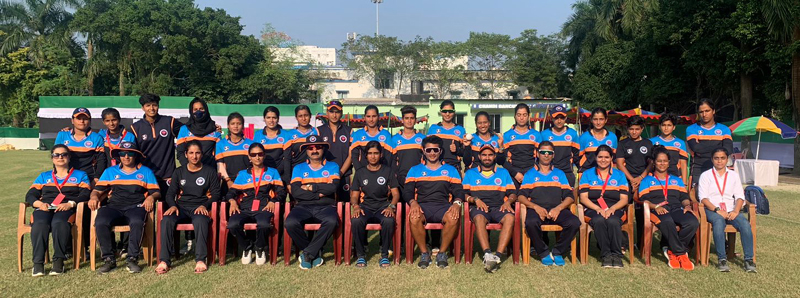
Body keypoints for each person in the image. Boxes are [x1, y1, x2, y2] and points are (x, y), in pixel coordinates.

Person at [89, 141, 160, 274]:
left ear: (136, 155)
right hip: (114, 206)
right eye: (122, 153)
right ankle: (109, 259)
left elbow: (156, 191)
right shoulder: (110, 171)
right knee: (100, 221)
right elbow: (97, 190)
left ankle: (132, 258)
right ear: (118, 156)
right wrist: (93, 197)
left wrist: (151, 197)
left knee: (137, 222)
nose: (126, 157)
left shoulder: (145, 171)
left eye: (130, 153)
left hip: (136, 206)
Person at [25, 145, 91, 276]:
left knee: (59, 223)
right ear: (52, 158)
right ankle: (38, 264)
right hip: (45, 207)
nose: (60, 157)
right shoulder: (44, 176)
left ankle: (58, 261)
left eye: (64, 154)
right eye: (56, 155)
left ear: (69, 157)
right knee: (40, 224)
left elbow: (85, 194)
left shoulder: (80, 175)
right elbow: (30, 195)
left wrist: (70, 204)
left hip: (66, 208)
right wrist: (39, 203)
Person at [156, 140, 221, 274]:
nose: (194, 156)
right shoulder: (179, 172)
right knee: (167, 220)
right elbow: (170, 194)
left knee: (200, 220)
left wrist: (205, 205)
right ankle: (164, 261)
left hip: (200, 207)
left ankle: (200, 260)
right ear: (185, 154)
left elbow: (216, 194)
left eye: (197, 153)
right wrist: (173, 205)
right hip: (181, 207)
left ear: (202, 154)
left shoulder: (209, 171)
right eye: (191, 153)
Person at [404, 135, 465, 269]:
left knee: (453, 217)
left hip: (443, 206)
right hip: (422, 206)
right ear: (423, 151)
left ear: (440, 151)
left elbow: (458, 191)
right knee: (414, 217)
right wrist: (413, 203)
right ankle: (424, 253)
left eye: (435, 150)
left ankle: (441, 253)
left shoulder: (451, 170)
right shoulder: (415, 170)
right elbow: (407, 191)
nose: (432, 153)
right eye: (429, 150)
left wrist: (457, 203)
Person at [518, 141, 580, 267]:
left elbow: (569, 196)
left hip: (557, 209)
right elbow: (521, 196)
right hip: (537, 210)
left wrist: (559, 208)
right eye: (543, 152)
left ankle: (558, 251)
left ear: (553, 155)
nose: (546, 155)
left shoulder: (560, 174)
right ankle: (543, 252)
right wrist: (535, 207)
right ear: (537, 154)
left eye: (549, 153)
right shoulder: (530, 174)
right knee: (530, 223)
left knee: (574, 222)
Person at [637, 146, 698, 271]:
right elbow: (644, 199)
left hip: (676, 208)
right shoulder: (647, 180)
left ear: (669, 162)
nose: (662, 163)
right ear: (654, 162)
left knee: (692, 221)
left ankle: (672, 250)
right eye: (659, 161)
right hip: (657, 209)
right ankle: (681, 253)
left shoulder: (677, 180)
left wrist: (687, 205)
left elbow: (684, 196)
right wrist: (656, 206)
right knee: (667, 221)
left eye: (665, 161)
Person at [285, 135, 341, 269]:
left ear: (323, 149)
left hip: (326, 206)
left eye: (318, 147)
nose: (314, 150)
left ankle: (308, 253)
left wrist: (311, 187)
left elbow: (333, 187)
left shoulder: (333, 166)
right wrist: (320, 194)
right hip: (303, 206)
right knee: (290, 222)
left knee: (332, 221)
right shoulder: (299, 168)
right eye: (310, 148)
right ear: (306, 150)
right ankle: (313, 252)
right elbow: (296, 191)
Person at [224, 143, 285, 266]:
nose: (257, 157)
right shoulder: (242, 174)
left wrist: (273, 202)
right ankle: (247, 248)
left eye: (260, 154)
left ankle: (260, 248)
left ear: (264, 155)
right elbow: (230, 193)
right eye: (253, 154)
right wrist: (232, 201)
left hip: (264, 208)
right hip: (245, 208)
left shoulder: (272, 172)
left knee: (263, 224)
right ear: (249, 157)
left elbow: (282, 193)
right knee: (233, 224)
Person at [698, 148, 756, 273]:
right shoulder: (706, 175)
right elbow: (703, 198)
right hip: (712, 210)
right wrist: (717, 210)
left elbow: (740, 196)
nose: (719, 161)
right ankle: (722, 259)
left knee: (745, 225)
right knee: (719, 223)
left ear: (727, 159)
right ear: (712, 159)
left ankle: (748, 260)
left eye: (722, 158)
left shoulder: (733, 175)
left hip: (731, 209)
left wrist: (735, 211)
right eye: (716, 158)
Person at [462, 145, 516, 273]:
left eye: (490, 155)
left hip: (498, 207)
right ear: (479, 156)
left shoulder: (503, 172)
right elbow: (463, 193)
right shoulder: (470, 173)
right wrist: (474, 199)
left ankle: (497, 256)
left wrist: (509, 201)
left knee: (510, 217)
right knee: (479, 218)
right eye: (484, 155)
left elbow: (513, 192)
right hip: (478, 208)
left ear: (495, 157)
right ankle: (487, 254)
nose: (487, 157)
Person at [350, 141, 401, 268]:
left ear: (381, 154)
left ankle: (384, 255)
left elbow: (395, 194)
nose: (373, 156)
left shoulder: (388, 171)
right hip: (365, 207)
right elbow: (354, 195)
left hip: (383, 206)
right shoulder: (360, 173)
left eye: (376, 153)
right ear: (366, 155)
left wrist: (391, 206)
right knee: (356, 221)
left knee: (389, 221)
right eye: (370, 153)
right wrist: (356, 207)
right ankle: (361, 256)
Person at [578, 145, 629, 268]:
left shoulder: (620, 175)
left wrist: (612, 209)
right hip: (593, 208)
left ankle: (616, 255)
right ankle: (606, 254)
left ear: (612, 158)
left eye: (606, 157)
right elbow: (583, 197)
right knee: (599, 220)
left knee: (613, 221)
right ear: (595, 158)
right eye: (600, 157)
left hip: (615, 207)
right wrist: (597, 209)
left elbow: (624, 199)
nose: (603, 160)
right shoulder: (587, 174)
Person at [130, 93, 183, 193]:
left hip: (167, 174)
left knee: (168, 206)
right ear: (143, 108)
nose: (152, 108)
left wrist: (212, 128)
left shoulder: (169, 122)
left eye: (154, 105)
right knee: (146, 206)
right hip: (145, 174)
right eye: (148, 105)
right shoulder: (135, 127)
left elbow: (189, 131)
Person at [616, 115, 653, 248]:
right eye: (631, 129)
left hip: (643, 181)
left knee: (642, 212)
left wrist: (640, 178)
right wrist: (632, 180)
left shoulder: (648, 144)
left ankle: (642, 243)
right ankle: (624, 243)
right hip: (626, 181)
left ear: (642, 129)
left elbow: (651, 163)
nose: (634, 132)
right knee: (624, 210)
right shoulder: (623, 143)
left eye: (637, 129)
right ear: (628, 129)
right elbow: (620, 163)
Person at [686, 99, 733, 191]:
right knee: (698, 198)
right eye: (701, 112)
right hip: (698, 168)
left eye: (707, 111)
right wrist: (719, 148)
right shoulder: (692, 129)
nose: (704, 114)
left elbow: (728, 150)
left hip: (719, 168)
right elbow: (696, 148)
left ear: (713, 111)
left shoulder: (724, 129)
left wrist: (703, 150)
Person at [55, 107, 105, 185]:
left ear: (90, 121)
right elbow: (56, 159)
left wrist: (96, 179)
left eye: (85, 119)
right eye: (78, 118)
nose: (82, 121)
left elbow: (101, 161)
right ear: (72, 120)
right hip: (66, 177)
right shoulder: (62, 135)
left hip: (90, 177)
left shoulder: (97, 138)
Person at [317, 100, 353, 202]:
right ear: (327, 113)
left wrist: (340, 173)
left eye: (337, 112)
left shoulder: (349, 131)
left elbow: (351, 155)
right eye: (331, 112)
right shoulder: (319, 131)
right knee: (326, 204)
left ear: (341, 113)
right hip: (324, 174)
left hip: (343, 174)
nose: (334, 115)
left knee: (344, 205)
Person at [391, 105, 426, 204]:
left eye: (412, 118)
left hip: (418, 179)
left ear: (415, 120)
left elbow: (426, 160)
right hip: (400, 180)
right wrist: (397, 177)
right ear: (402, 120)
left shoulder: (423, 139)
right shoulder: (394, 139)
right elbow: (392, 161)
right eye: (406, 118)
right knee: (401, 211)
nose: (409, 121)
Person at [502, 103, 541, 187]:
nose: (522, 118)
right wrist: (515, 174)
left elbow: (541, 158)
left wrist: (531, 173)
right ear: (515, 116)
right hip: (513, 174)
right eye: (519, 115)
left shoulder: (536, 135)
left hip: (531, 173)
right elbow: (502, 160)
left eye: (524, 115)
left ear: (528, 116)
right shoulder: (507, 135)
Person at [541, 105, 580, 187]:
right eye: (556, 118)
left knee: (569, 199)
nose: (559, 121)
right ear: (552, 118)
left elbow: (577, 156)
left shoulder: (572, 134)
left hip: (567, 174)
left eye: (562, 118)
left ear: (565, 118)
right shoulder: (544, 134)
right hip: (549, 173)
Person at [176, 97, 220, 168]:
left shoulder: (215, 130)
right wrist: (189, 168)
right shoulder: (184, 129)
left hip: (209, 171)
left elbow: (219, 154)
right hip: (190, 173)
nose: (198, 112)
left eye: (201, 109)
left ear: (206, 110)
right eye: (195, 109)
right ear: (191, 111)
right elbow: (180, 153)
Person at [281, 105, 319, 184]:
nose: (304, 119)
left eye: (306, 115)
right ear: (296, 118)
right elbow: (287, 159)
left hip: (315, 174)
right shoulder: (290, 134)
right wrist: (288, 181)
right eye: (300, 116)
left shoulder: (317, 132)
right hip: (297, 173)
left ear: (310, 116)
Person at [216, 112, 253, 191]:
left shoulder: (251, 144)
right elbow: (220, 165)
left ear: (243, 126)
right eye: (232, 123)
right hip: (228, 183)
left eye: (239, 123)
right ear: (228, 126)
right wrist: (228, 180)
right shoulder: (220, 144)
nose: (236, 126)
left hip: (247, 182)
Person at [350, 105, 393, 172]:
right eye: (368, 116)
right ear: (364, 117)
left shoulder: (386, 134)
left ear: (378, 117)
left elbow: (388, 157)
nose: (371, 119)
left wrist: (383, 172)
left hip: (381, 174)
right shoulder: (358, 134)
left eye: (374, 116)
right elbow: (354, 157)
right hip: (363, 174)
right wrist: (360, 172)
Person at [427, 100, 466, 173]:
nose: (447, 114)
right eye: (445, 111)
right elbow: (426, 149)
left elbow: (465, 153)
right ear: (441, 112)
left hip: (454, 169)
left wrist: (457, 150)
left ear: (454, 112)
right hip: (436, 169)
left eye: (450, 111)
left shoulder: (461, 130)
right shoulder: (433, 128)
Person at [650, 113, 689, 185]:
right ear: (659, 126)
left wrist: (684, 183)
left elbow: (683, 164)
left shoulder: (680, 143)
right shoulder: (651, 142)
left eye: (669, 125)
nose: (666, 128)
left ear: (674, 127)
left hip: (675, 179)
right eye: (664, 125)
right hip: (655, 179)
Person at [253, 106, 290, 181]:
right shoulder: (258, 135)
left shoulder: (285, 134)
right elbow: (255, 156)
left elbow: (287, 158)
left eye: (274, 118)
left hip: (281, 174)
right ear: (264, 119)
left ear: (278, 119)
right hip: (263, 174)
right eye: (268, 117)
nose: (271, 120)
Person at [578, 108, 618, 174]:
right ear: (591, 120)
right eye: (595, 119)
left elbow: (614, 158)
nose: (598, 122)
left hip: (606, 176)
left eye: (601, 119)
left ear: (606, 120)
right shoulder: (583, 137)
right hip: (587, 176)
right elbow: (577, 158)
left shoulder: (612, 137)